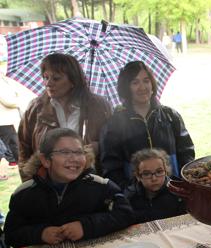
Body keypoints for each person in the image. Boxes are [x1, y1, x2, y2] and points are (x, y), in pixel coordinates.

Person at [3, 128, 134, 248]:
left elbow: (125, 214)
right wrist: (40, 234)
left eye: (79, 152)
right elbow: (11, 236)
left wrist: (86, 226)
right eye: (65, 152)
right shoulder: (24, 194)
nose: (74, 159)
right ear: (45, 160)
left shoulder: (101, 186)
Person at [17, 53, 112, 181]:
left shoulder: (98, 106)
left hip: (90, 182)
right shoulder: (35, 109)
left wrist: (99, 146)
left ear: (73, 80)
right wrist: (30, 183)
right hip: (47, 186)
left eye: (56, 78)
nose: (48, 83)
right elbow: (24, 150)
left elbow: (114, 143)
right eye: (45, 77)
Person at [100, 61, 195, 189]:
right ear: (126, 87)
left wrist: (180, 184)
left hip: (173, 193)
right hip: (136, 199)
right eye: (135, 82)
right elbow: (111, 166)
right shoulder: (114, 124)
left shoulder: (171, 116)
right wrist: (129, 191)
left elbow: (186, 154)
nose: (142, 87)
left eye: (146, 81)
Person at [124, 148, 186, 224]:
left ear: (166, 171)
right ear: (138, 176)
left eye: (159, 171)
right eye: (146, 174)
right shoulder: (129, 198)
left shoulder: (179, 193)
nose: (154, 178)